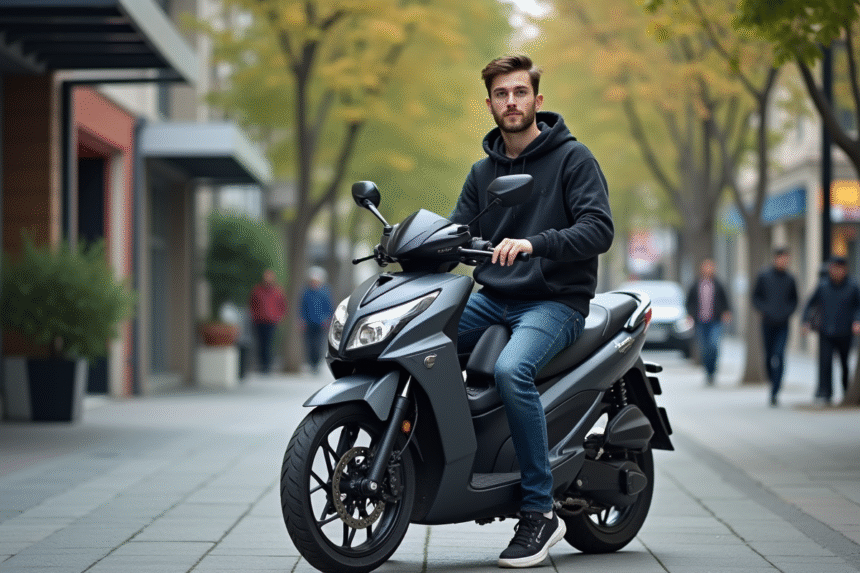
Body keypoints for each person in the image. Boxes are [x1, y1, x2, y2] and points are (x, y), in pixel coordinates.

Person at [449, 55, 613, 568]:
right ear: (490, 103)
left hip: (554, 300)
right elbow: (458, 230)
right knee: (421, 343)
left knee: (511, 369)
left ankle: (539, 510)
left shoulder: (573, 159)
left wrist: (533, 244)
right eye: (502, 94)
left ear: (537, 100)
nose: (511, 102)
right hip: (494, 297)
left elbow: (598, 229)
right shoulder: (482, 172)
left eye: (520, 92)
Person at [801, 256, 860, 405]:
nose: (836, 271)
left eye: (839, 268)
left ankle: (846, 390)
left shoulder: (853, 286)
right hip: (826, 331)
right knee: (825, 363)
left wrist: (857, 321)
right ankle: (826, 392)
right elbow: (809, 303)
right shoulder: (823, 286)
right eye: (833, 268)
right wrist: (805, 322)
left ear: (844, 269)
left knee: (845, 363)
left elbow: (858, 306)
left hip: (845, 332)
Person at [752, 247, 798, 406]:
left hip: (783, 324)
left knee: (779, 354)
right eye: (781, 258)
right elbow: (755, 297)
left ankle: (776, 389)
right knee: (769, 356)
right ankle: (772, 380)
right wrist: (763, 310)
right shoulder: (764, 276)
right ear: (775, 259)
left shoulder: (790, 279)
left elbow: (794, 300)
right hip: (767, 322)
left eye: (786, 259)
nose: (784, 261)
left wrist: (787, 312)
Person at [685, 259, 732, 386]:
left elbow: (725, 300)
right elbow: (689, 301)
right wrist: (690, 315)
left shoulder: (718, 284)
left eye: (710, 266)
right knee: (704, 347)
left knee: (713, 345)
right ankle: (708, 371)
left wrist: (727, 312)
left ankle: (713, 369)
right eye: (706, 266)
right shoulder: (696, 284)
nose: (708, 269)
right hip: (700, 321)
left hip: (715, 320)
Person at [249, 268, 286, 374]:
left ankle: (268, 365)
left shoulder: (277, 291)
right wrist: (255, 315)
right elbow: (252, 304)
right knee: (261, 343)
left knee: (269, 343)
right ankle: (262, 364)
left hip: (272, 321)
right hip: (259, 321)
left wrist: (279, 317)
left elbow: (282, 305)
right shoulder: (257, 290)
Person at [300, 266, 333, 375]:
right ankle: (311, 363)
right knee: (309, 344)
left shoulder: (324, 293)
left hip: (320, 323)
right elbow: (302, 307)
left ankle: (317, 363)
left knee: (318, 344)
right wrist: (302, 319)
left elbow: (329, 307)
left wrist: (327, 319)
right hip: (309, 322)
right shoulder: (306, 293)